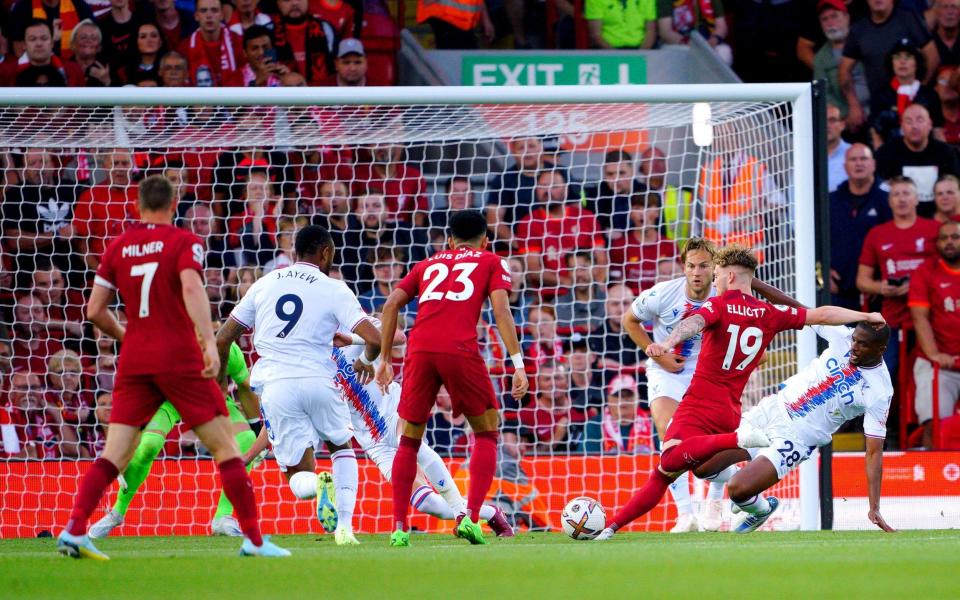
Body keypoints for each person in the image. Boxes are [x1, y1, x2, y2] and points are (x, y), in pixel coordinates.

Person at [56, 175, 286, 559]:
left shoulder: (117, 248)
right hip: (179, 358)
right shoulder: (184, 243)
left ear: (137, 205)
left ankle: (75, 529)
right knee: (227, 448)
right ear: (174, 204)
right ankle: (254, 540)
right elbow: (193, 289)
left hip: (136, 359)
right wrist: (208, 344)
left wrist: (128, 336)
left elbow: (94, 310)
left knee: (114, 454)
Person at [594, 245, 885, 540]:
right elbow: (821, 314)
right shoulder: (770, 313)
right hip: (732, 409)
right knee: (703, 469)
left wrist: (668, 342)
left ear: (729, 276)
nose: (714, 282)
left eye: (717, 275)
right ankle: (619, 525)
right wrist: (866, 314)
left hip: (701, 406)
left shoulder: (717, 305)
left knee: (667, 464)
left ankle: (615, 526)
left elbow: (693, 323)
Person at [215, 224, 382, 546]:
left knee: (296, 476)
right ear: (326, 253)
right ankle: (345, 528)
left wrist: (221, 384)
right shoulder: (335, 288)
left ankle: (318, 487)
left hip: (276, 386)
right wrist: (365, 362)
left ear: (294, 252)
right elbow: (374, 338)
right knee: (341, 447)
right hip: (320, 380)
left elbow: (223, 339)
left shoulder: (264, 284)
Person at [375, 209, 529, 547]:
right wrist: (518, 364)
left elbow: (390, 305)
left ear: (449, 240)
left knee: (409, 440)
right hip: (459, 349)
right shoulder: (491, 261)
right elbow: (501, 311)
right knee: (487, 433)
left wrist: (384, 359)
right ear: (485, 240)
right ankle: (472, 519)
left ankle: (399, 528)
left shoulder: (427, 264)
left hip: (419, 349)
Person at [702, 314, 895, 533]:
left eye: (863, 344)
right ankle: (751, 492)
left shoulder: (880, 390)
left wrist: (874, 507)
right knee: (703, 465)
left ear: (881, 350)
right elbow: (800, 310)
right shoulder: (842, 337)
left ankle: (761, 508)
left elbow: (874, 452)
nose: (854, 347)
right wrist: (752, 282)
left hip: (797, 439)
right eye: (854, 340)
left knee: (737, 489)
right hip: (773, 409)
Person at [88, 341, 261, 538]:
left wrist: (256, 430)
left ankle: (223, 517)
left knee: (246, 439)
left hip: (210, 399)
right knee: (149, 445)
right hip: (168, 401)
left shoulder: (229, 352)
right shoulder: (164, 349)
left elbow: (245, 387)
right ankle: (117, 513)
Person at [621, 236, 733, 532]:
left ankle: (716, 498)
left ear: (714, 269)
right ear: (684, 267)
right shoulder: (662, 294)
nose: (697, 272)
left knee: (715, 441)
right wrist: (657, 356)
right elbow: (629, 320)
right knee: (669, 431)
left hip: (708, 374)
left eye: (704, 266)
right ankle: (684, 513)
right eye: (692, 265)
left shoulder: (727, 300)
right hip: (667, 370)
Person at [857, 176, 939, 381]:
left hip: (932, 315)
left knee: (929, 370)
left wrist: (916, 285)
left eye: (906, 193)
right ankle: (882, 413)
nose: (901, 199)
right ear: (889, 201)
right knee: (885, 370)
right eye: (896, 194)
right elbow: (862, 281)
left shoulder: (935, 230)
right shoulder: (878, 234)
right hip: (892, 316)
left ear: (917, 199)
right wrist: (881, 287)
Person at [840, 0, 938, 132]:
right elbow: (844, 70)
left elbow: (933, 56)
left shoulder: (908, 19)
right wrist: (853, 105)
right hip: (880, 105)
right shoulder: (858, 28)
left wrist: (918, 89)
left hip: (916, 106)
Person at [909, 220, 960, 448]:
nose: (949, 242)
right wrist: (935, 354)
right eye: (944, 238)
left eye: (955, 237)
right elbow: (920, 318)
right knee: (934, 423)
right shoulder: (925, 272)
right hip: (937, 362)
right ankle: (930, 477)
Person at [830, 144, 893, 310]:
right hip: (839, 293)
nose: (859, 163)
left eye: (863, 158)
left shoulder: (889, 200)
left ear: (873, 164)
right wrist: (822, 272)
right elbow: (815, 241)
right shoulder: (830, 201)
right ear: (845, 166)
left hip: (879, 294)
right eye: (853, 159)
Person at [875, 104, 960, 213]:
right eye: (909, 121)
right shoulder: (886, 153)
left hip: (939, 216)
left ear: (930, 124)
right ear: (902, 126)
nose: (914, 126)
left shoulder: (946, 152)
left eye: (920, 120)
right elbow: (880, 189)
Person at [869, 41, 945, 146]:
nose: (902, 62)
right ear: (892, 62)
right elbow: (876, 135)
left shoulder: (929, 95)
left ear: (917, 63)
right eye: (897, 57)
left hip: (925, 155)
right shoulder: (881, 95)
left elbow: (938, 132)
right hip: (891, 154)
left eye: (908, 57)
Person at [813, 0, 868, 118]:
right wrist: (845, 115)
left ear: (847, 18)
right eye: (824, 19)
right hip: (845, 119)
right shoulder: (821, 58)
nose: (830, 23)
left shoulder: (865, 42)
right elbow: (824, 95)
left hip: (876, 109)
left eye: (834, 16)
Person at [178, 0, 245, 87]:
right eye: (203, 11)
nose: (209, 16)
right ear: (196, 16)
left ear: (222, 15)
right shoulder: (184, 48)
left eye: (214, 10)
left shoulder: (238, 41)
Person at [271, 0, 337, 86]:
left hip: (321, 96)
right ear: (277, 3)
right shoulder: (268, 33)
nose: (295, 3)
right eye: (287, 0)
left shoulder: (325, 28)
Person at [18, 19, 85, 86]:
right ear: (24, 45)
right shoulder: (9, 72)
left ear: (52, 43)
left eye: (44, 38)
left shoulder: (73, 70)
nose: (39, 44)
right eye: (32, 39)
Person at [584, 0, 656, 50]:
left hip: (641, 49)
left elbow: (651, 32)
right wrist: (618, 57)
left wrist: (640, 56)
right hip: (608, 50)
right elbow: (596, 35)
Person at [826, 103, 851, 193]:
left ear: (842, 125)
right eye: (822, 120)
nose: (827, 125)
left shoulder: (854, 154)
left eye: (832, 120)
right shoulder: (805, 157)